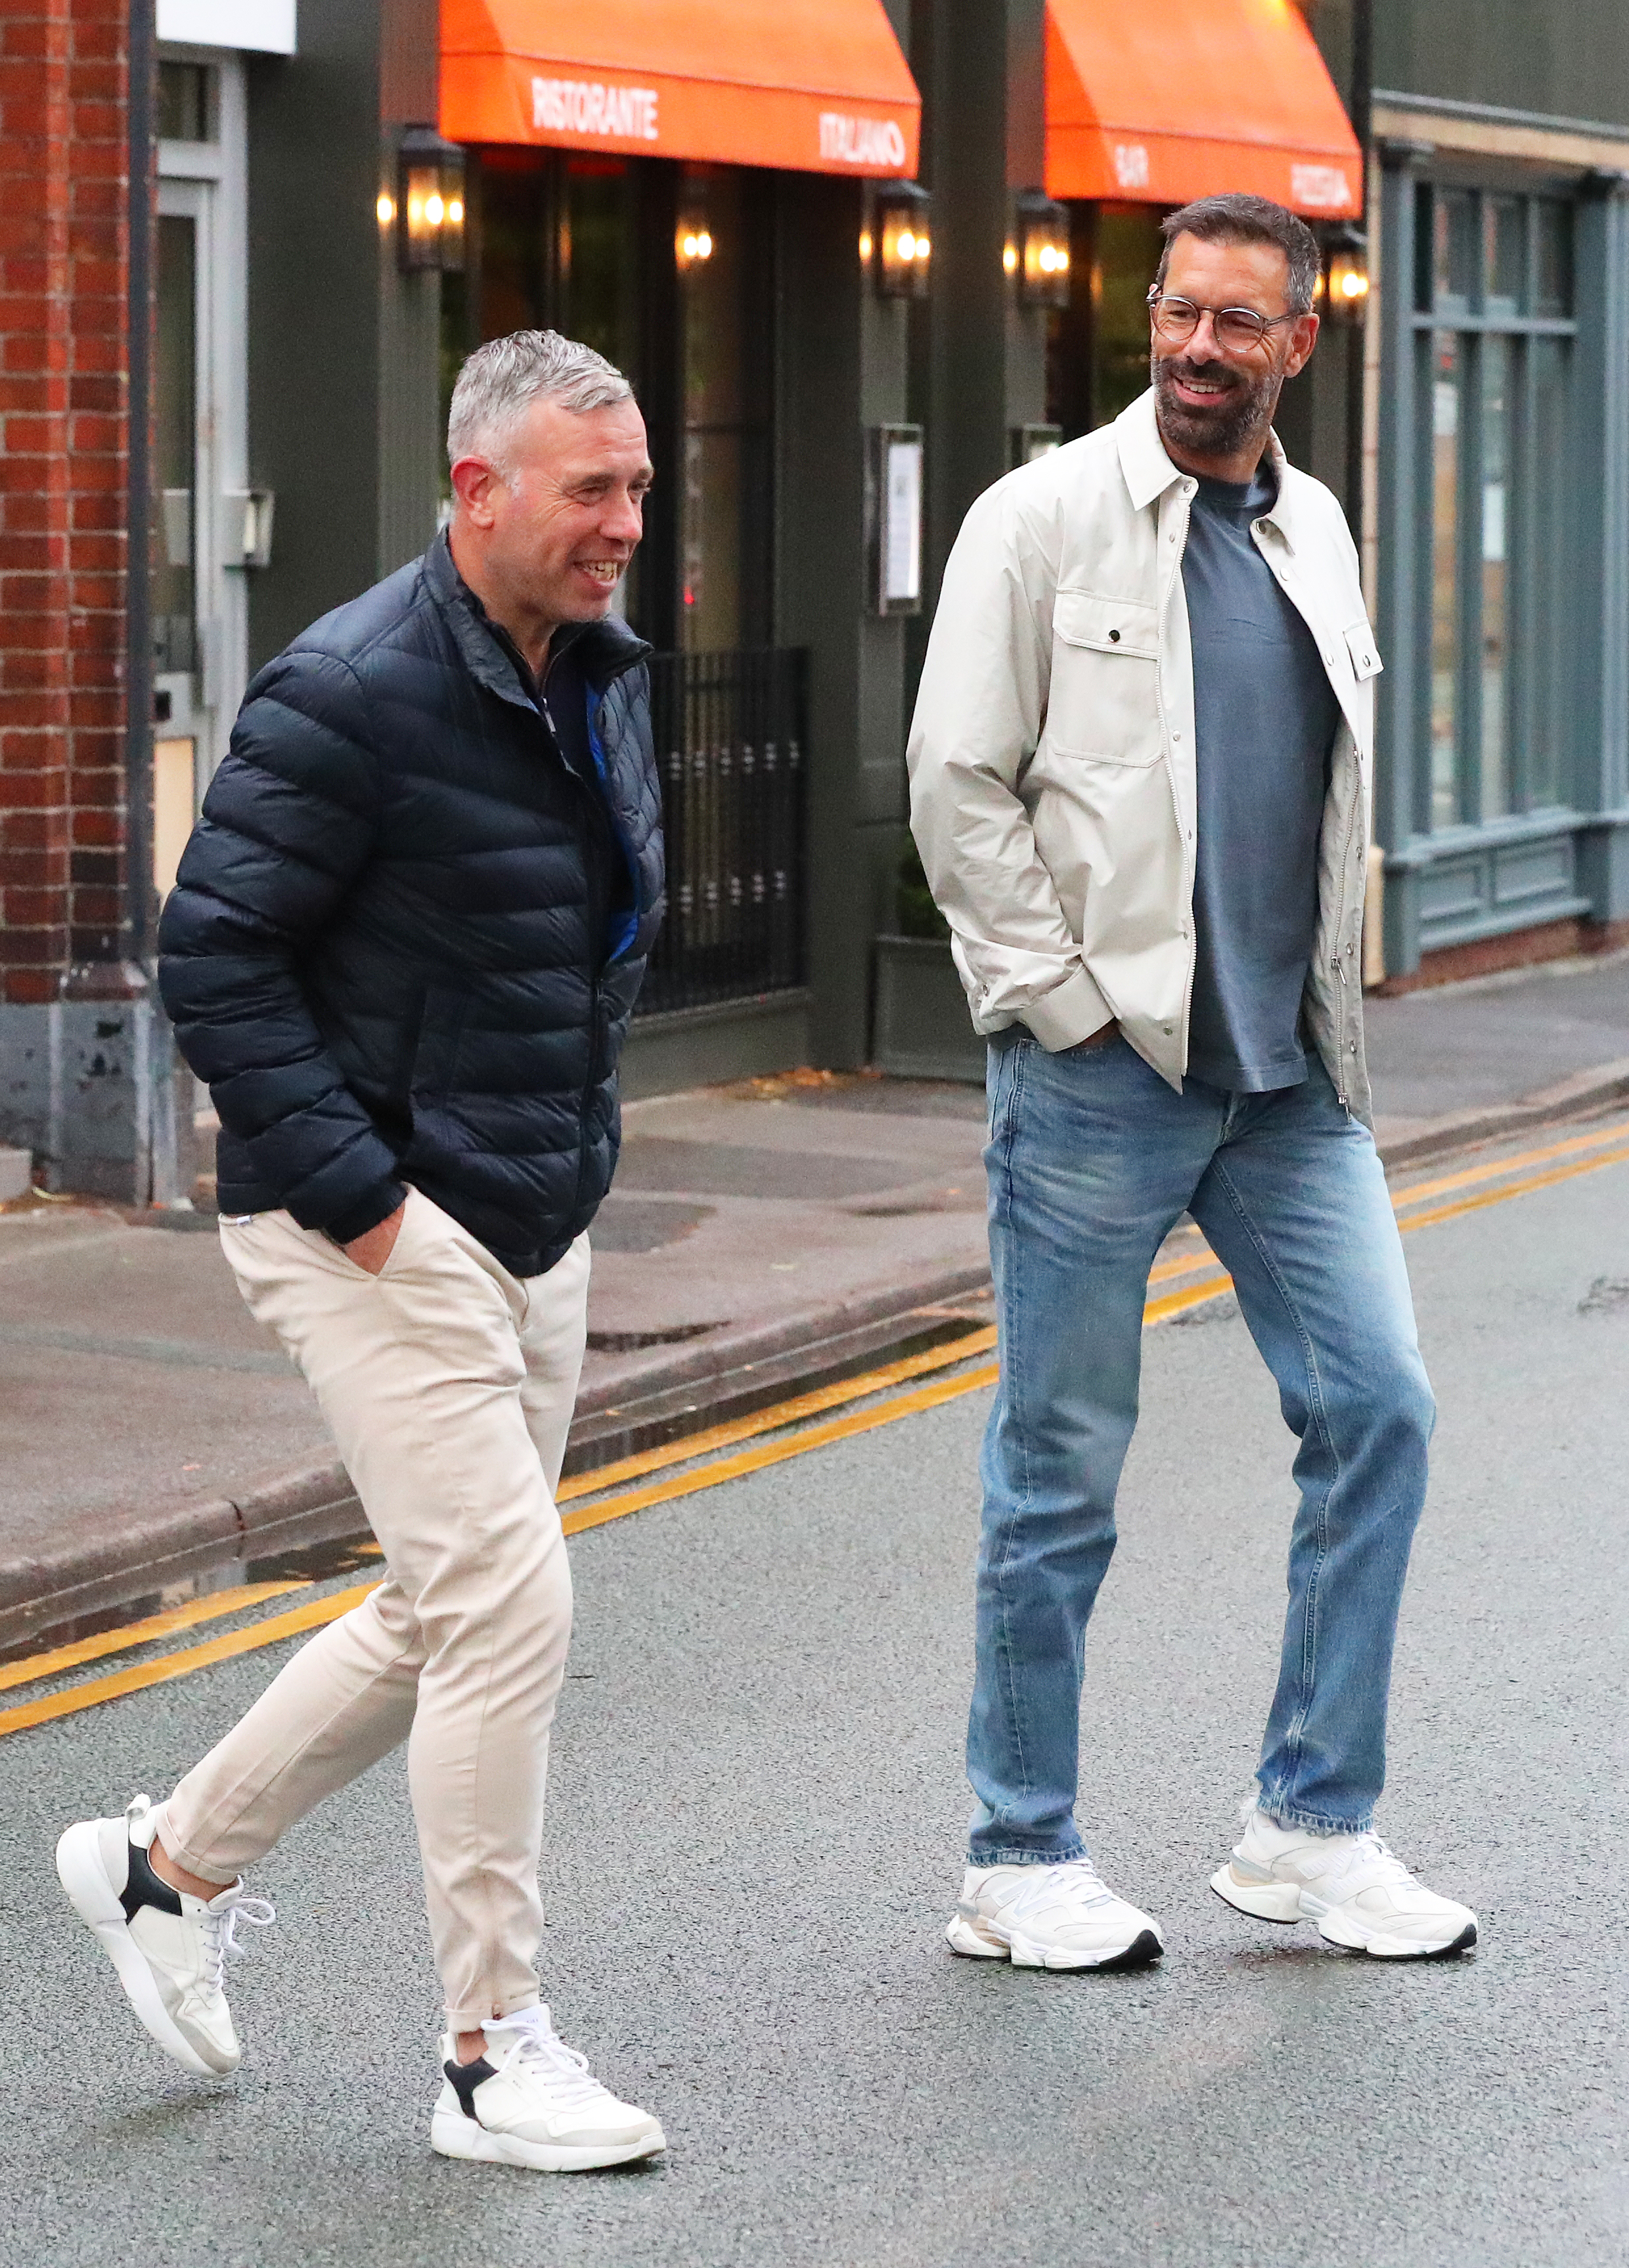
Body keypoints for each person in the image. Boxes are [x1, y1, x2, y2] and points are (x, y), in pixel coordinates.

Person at [55, 330, 671, 2171]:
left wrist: (564, 1159)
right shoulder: (351, 687)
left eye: (638, 486)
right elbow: (215, 957)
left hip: (527, 1205)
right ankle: (490, 2052)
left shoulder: (600, 667)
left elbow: (590, 927)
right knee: (511, 1606)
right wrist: (371, 1201)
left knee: (443, 1606)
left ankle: (163, 1874)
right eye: (593, 489)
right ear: (478, 490)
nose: (627, 524)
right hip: (373, 1226)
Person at [908, 194, 1478, 1973]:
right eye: (1179, 313)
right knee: (1061, 1470)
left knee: (1381, 1406)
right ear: (1146, 317)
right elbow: (955, 780)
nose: (1200, 349)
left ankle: (1310, 1824)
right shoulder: (1044, 517)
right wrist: (1060, 1003)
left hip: (1289, 1078)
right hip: (1105, 1073)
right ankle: (1018, 1855)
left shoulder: (1317, 527)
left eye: (1240, 322)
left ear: (1300, 342)